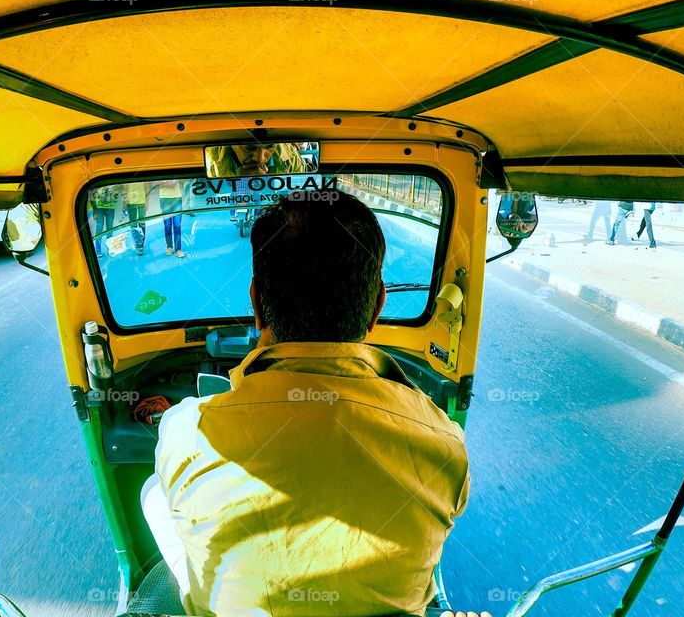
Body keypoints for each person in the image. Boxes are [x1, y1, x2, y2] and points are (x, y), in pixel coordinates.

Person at [144, 191, 471, 616]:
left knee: (154, 493)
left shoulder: (185, 430)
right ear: (377, 306)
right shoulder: (445, 444)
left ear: (257, 303)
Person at [207, 131, 308, 177]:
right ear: (232, 145)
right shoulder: (213, 158)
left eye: (270, 146)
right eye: (249, 147)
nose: (260, 159)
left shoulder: (292, 161)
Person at [158, 180, 185, 258]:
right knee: (167, 225)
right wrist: (167, 183)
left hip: (177, 198)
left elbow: (181, 180)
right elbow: (154, 182)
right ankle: (169, 247)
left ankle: (178, 249)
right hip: (164, 199)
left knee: (177, 225)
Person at [90, 185, 118, 257]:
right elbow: (91, 193)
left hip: (110, 207)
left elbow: (116, 198)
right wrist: (94, 209)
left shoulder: (112, 183)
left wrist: (113, 193)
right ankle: (98, 250)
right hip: (98, 208)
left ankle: (110, 248)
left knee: (110, 228)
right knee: (99, 228)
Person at [123, 181, 148, 256]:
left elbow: (146, 186)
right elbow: (125, 189)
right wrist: (124, 204)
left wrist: (147, 201)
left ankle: (141, 245)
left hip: (141, 201)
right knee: (133, 225)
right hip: (130, 202)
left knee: (142, 224)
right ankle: (138, 245)